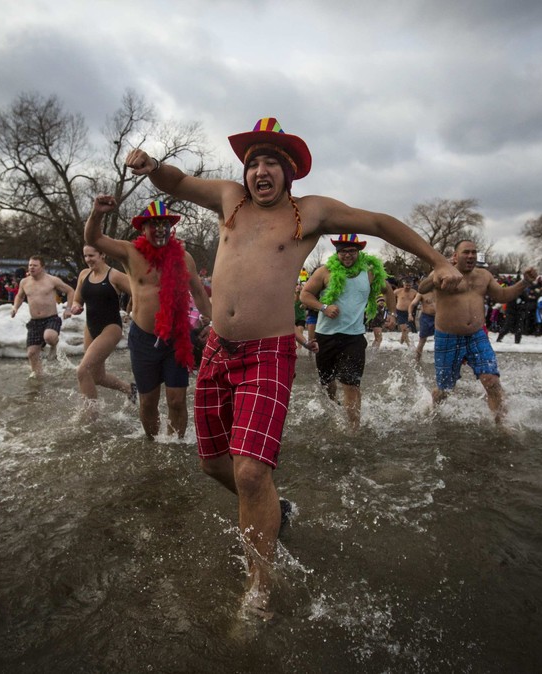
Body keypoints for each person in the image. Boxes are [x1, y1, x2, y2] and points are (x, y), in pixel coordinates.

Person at [124, 117, 461, 616]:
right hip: (218, 348)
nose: (260, 171)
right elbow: (174, 182)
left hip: (267, 353)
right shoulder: (228, 198)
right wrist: (152, 166)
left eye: (271, 163)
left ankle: (258, 589)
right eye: (253, 162)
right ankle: (276, 513)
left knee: (252, 473)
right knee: (214, 465)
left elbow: (381, 223)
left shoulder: (310, 212)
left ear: (288, 171)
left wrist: (438, 260)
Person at [84, 197, 213, 440]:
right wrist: (97, 213)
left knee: (176, 400)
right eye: (154, 223)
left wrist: (211, 322)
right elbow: (93, 239)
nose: (160, 228)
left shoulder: (184, 258)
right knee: (148, 403)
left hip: (177, 339)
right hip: (143, 339)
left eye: (164, 222)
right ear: (143, 228)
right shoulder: (130, 253)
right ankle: (154, 445)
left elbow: (198, 291)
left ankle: (175, 446)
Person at [417, 239, 537, 423]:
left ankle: (501, 424)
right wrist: (440, 269)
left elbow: (502, 295)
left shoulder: (484, 275)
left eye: (474, 252)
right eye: (466, 252)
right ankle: (433, 411)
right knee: (444, 389)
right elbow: (422, 288)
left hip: (476, 335)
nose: (471, 255)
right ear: (456, 256)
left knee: (491, 381)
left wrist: (525, 282)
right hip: (447, 337)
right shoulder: (444, 271)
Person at [300, 234, 395, 429]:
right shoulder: (324, 272)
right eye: (343, 251)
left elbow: (388, 291)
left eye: (352, 251)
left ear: (359, 252)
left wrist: (392, 314)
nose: (347, 255)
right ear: (337, 252)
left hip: (354, 337)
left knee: (351, 383)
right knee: (327, 383)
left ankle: (353, 427)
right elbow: (305, 295)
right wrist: (324, 307)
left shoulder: (369, 273)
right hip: (326, 336)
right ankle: (333, 408)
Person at [70, 240, 136, 410]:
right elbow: (77, 298)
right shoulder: (84, 274)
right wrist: (76, 306)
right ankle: (130, 389)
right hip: (90, 327)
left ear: (102, 255)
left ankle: (91, 416)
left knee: (82, 370)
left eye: (92, 255)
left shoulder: (115, 276)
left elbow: (139, 292)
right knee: (97, 377)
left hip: (111, 327)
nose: (88, 259)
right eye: (85, 256)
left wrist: (132, 310)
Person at [11, 256, 75, 378]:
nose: (31, 268)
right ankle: (38, 376)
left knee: (49, 337)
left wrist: (68, 309)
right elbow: (19, 296)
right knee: (31, 353)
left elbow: (70, 291)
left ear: (42, 267)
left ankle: (54, 345)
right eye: (30, 265)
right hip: (34, 321)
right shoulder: (24, 282)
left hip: (51, 318)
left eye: (35, 265)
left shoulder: (52, 280)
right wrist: (15, 308)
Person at [413, 287, 436, 362]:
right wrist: (410, 314)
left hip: (438, 317)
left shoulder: (440, 292)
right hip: (426, 317)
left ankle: (439, 359)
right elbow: (413, 304)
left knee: (439, 338)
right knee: (422, 339)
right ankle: (417, 359)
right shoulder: (422, 293)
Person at [394, 277, 418, 346]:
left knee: (406, 330)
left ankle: (400, 344)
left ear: (412, 285)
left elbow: (419, 300)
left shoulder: (414, 292)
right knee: (404, 329)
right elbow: (390, 299)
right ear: (403, 284)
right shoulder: (397, 291)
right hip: (399, 312)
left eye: (409, 285)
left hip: (409, 313)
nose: (408, 287)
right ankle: (409, 346)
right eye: (406, 285)